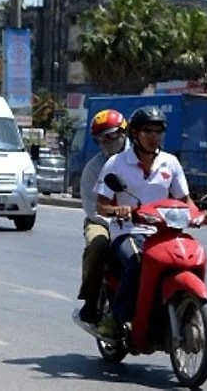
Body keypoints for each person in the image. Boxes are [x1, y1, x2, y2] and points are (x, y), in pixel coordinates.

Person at [95, 106, 207, 336]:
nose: (154, 137)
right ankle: (115, 317)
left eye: (158, 131)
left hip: (165, 232)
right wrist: (118, 209)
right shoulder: (116, 164)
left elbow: (184, 199)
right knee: (138, 262)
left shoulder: (171, 163)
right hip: (128, 231)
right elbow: (101, 205)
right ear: (135, 134)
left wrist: (199, 215)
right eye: (148, 131)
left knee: (190, 258)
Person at [76, 109, 128, 324]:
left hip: (141, 222)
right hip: (103, 222)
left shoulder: (146, 159)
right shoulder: (94, 168)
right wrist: (114, 223)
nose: (107, 142)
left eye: (111, 135)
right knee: (98, 245)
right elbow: (92, 208)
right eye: (100, 138)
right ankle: (90, 299)